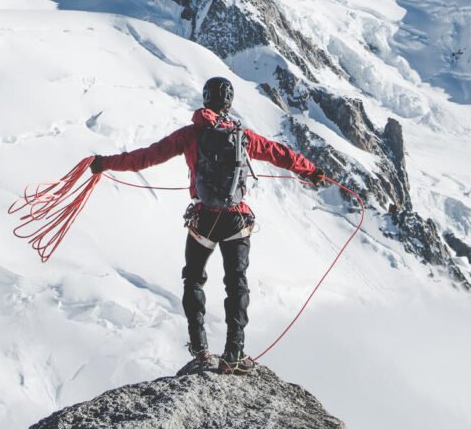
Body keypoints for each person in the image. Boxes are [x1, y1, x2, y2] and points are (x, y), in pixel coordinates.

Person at [90, 77, 326, 374]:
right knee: (236, 283)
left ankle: (200, 350)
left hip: (203, 219)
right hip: (236, 219)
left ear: (205, 99)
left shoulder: (190, 135)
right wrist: (312, 172)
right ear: (228, 102)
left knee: (194, 279)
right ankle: (234, 353)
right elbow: (280, 154)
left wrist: (104, 163)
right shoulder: (242, 136)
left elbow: (144, 158)